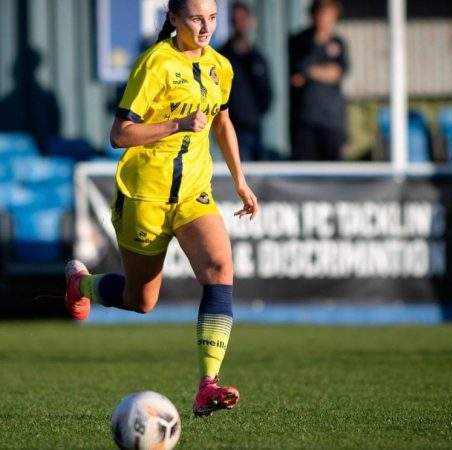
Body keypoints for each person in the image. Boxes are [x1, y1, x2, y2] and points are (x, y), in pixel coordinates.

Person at [62, 0, 258, 417]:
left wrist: (240, 180)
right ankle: (81, 285)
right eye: (196, 18)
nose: (205, 27)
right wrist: (177, 124)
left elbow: (222, 121)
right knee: (141, 300)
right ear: (173, 18)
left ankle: (207, 386)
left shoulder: (220, 66)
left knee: (220, 268)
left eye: (212, 18)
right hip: (144, 197)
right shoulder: (155, 64)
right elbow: (120, 134)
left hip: (192, 193)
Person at [288, 0, 349, 161]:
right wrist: (322, 69)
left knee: (333, 169)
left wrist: (309, 73)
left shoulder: (338, 43)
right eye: (321, 14)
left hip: (332, 120)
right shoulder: (299, 41)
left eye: (329, 15)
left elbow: (337, 72)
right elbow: (297, 74)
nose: (324, 19)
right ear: (313, 15)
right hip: (304, 120)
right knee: (304, 168)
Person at [219, 2, 273, 161]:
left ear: (250, 21)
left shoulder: (257, 58)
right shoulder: (222, 58)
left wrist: (253, 114)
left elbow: (267, 93)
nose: (239, 24)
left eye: (242, 19)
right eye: (235, 19)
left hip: (256, 128)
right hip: (232, 128)